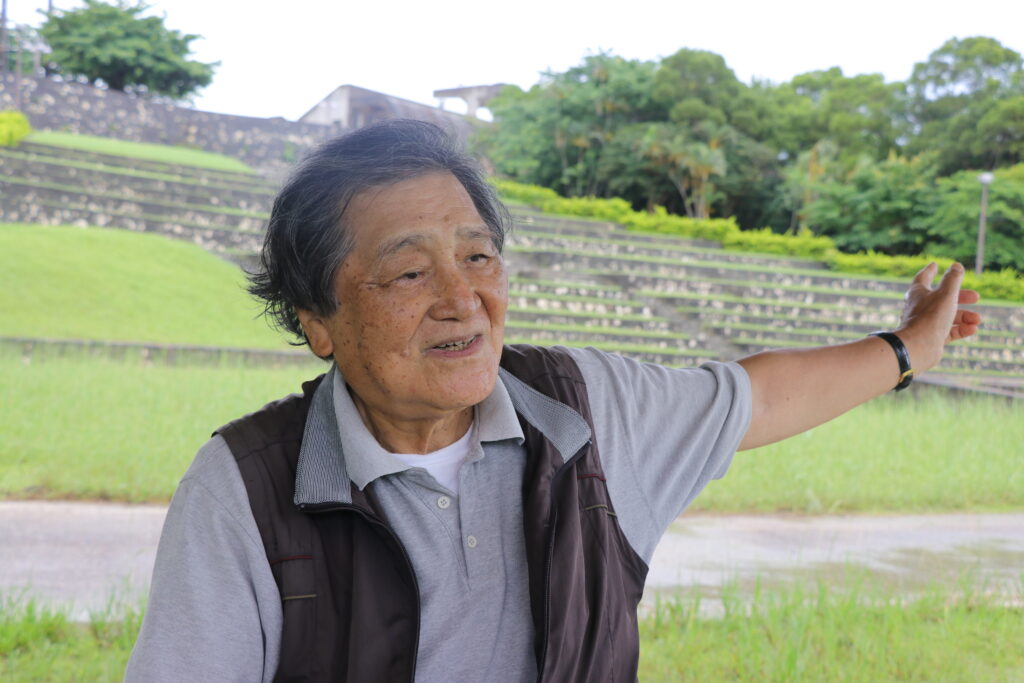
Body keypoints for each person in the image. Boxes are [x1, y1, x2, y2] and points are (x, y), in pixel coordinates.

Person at [125, 119, 982, 682]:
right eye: (410, 270)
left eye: (479, 256)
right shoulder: (245, 487)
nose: (462, 298)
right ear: (318, 318)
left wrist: (911, 348)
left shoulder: (583, 412)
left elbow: (757, 397)